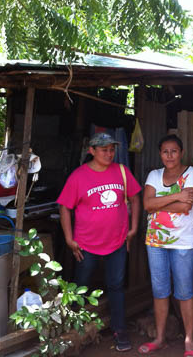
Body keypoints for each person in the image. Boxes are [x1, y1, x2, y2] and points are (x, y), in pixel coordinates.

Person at [58, 132, 141, 352]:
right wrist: (69, 239)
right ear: (91, 151)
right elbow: (64, 207)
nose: (109, 153)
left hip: (117, 241)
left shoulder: (122, 171)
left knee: (116, 285)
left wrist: (133, 228)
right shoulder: (78, 177)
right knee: (81, 287)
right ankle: (74, 330)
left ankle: (119, 329)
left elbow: (135, 197)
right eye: (104, 149)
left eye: (112, 149)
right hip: (86, 244)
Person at [138, 134, 193, 357]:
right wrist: (176, 195)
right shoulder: (154, 175)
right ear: (160, 154)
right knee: (160, 291)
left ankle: (189, 340)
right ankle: (159, 338)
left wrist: (161, 203)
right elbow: (147, 204)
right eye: (165, 152)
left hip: (184, 242)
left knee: (184, 291)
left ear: (181, 152)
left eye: (174, 151)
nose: (169, 156)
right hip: (156, 242)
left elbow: (185, 207)